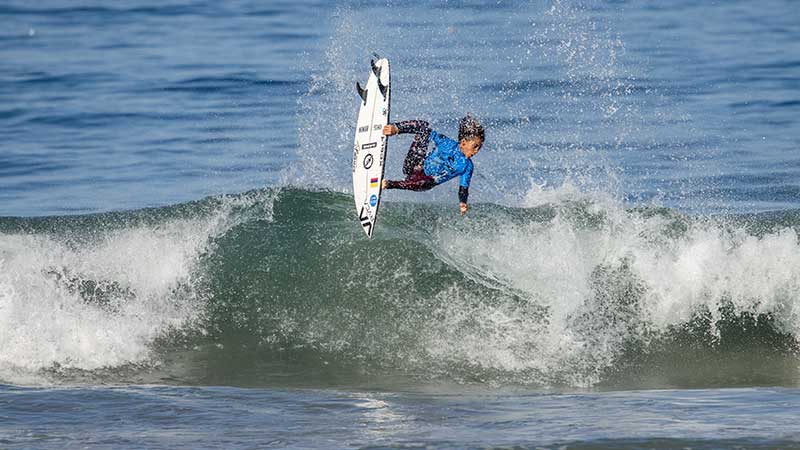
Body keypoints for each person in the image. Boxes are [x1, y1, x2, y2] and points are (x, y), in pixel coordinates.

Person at [382, 114, 484, 216]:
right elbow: (425, 132)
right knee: (424, 127)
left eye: (479, 148)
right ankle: (394, 127)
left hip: (424, 182)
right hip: (413, 166)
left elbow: (463, 188)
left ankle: (388, 184)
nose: (476, 151)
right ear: (463, 143)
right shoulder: (446, 143)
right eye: (475, 146)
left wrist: (463, 203)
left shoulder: (467, 166)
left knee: (428, 182)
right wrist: (397, 129)